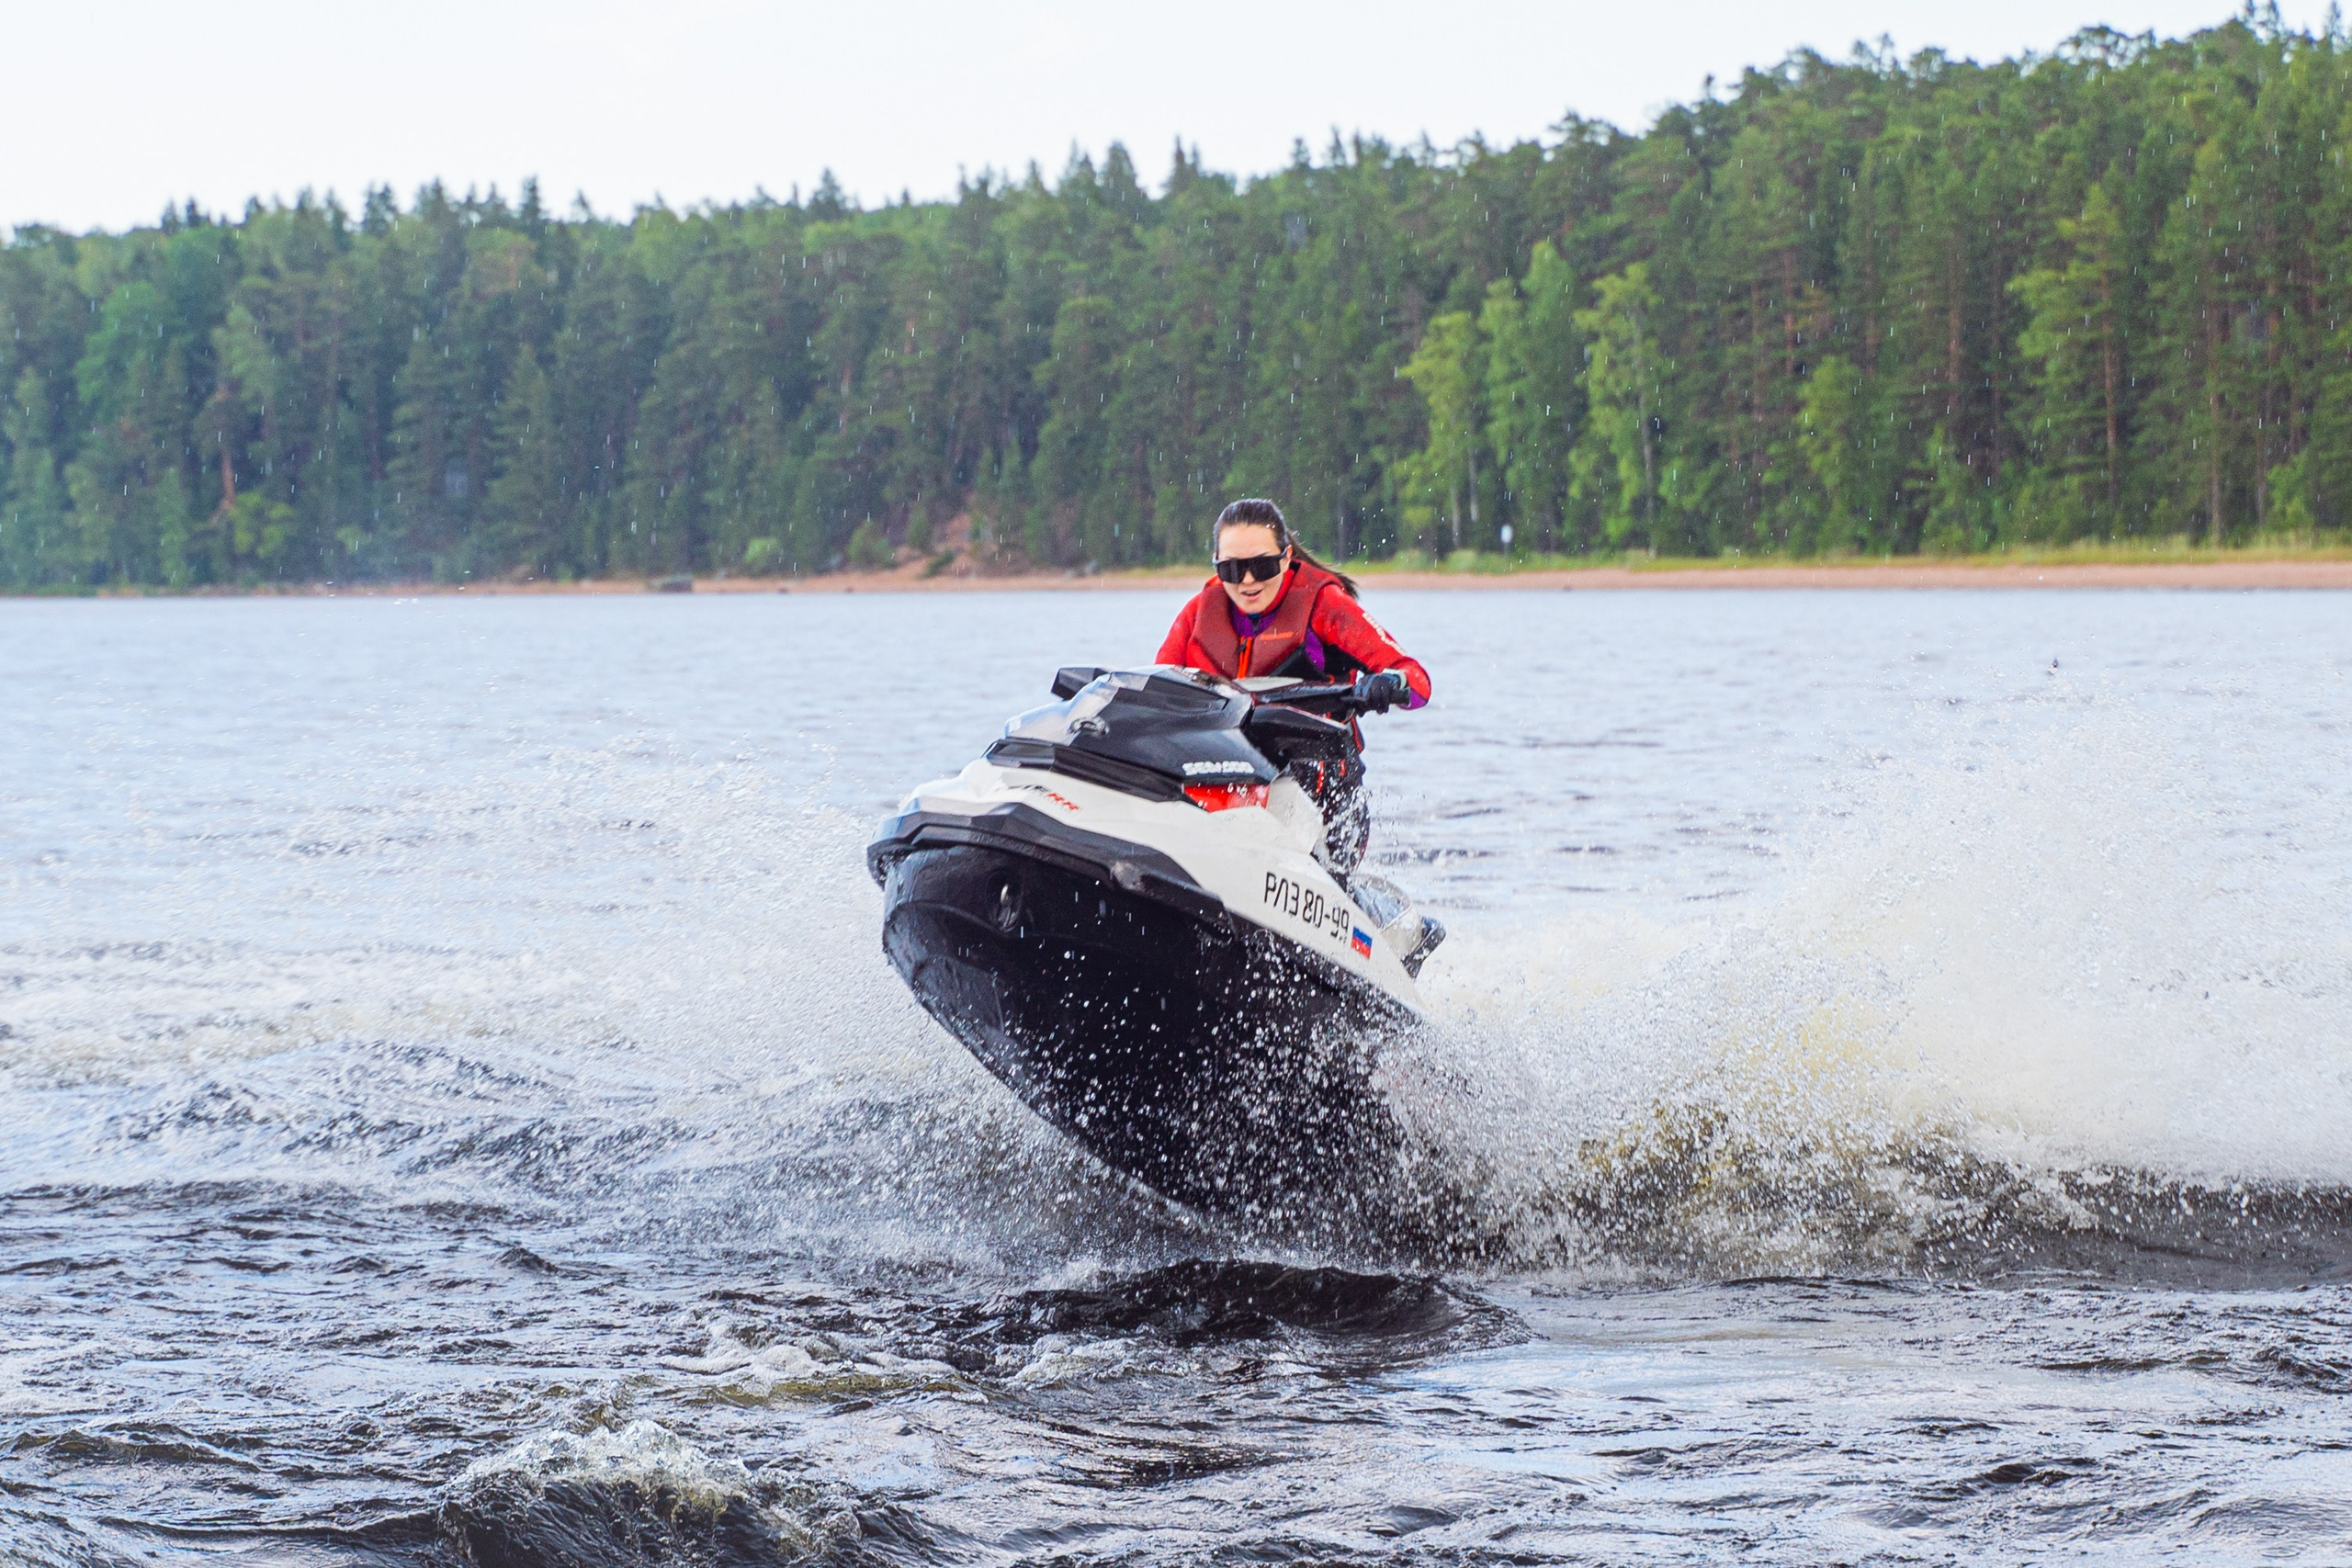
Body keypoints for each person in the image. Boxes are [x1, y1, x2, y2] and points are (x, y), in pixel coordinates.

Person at [1156, 498, 1430, 873]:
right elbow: (1159, 689)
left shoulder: (1324, 605)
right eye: (1232, 570)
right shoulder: (1198, 615)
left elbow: (1417, 681)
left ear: (1286, 558)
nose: (1248, 581)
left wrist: (1388, 683)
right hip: (1232, 784)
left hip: (1325, 796)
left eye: (1262, 566)